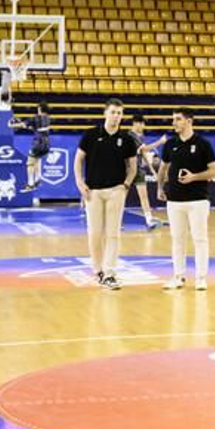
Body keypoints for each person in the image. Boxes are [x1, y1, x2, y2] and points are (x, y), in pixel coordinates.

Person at [76, 99, 139, 290]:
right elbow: (78, 160)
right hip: (93, 192)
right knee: (95, 233)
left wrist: (125, 185)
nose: (116, 116)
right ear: (105, 113)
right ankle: (98, 270)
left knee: (113, 233)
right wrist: (80, 182)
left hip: (115, 191)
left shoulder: (127, 139)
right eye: (113, 112)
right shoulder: (91, 135)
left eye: (120, 113)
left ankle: (110, 271)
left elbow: (133, 167)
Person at [158, 109, 215, 291]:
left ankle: (201, 278)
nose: (174, 123)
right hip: (174, 200)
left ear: (189, 121)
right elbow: (163, 168)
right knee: (177, 239)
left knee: (200, 239)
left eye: (178, 119)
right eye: (173, 119)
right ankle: (178, 276)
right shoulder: (170, 144)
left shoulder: (203, 144)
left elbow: (214, 171)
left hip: (197, 200)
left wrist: (194, 177)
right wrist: (160, 188)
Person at [128, 115, 165, 231]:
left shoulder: (140, 137)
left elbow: (143, 154)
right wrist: (160, 141)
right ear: (135, 124)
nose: (143, 126)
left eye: (143, 124)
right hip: (127, 169)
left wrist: (152, 170)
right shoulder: (130, 136)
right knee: (120, 195)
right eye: (141, 123)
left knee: (144, 196)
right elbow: (145, 149)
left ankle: (149, 220)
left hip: (138, 169)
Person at [12, 103, 52, 193]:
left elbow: (23, 124)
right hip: (47, 144)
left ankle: (30, 184)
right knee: (37, 160)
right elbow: (37, 128)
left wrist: (12, 125)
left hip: (38, 143)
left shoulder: (36, 118)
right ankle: (37, 180)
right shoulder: (48, 118)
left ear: (40, 109)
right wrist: (30, 127)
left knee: (30, 163)